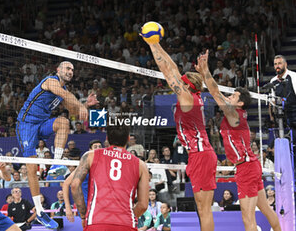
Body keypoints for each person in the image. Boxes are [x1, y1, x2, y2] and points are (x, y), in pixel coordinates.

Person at [195, 50, 281, 231]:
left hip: (246, 167)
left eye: (233, 96)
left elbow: (215, 92)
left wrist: (205, 71)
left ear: (240, 103)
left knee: (247, 216)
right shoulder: (236, 114)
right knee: (265, 209)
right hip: (250, 164)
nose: (230, 96)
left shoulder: (233, 113)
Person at [141, 31, 217, 231]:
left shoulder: (187, 98)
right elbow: (172, 68)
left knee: (204, 208)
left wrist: (152, 45)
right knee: (202, 208)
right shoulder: (194, 96)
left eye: (182, 81)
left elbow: (168, 72)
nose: (178, 82)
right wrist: (156, 43)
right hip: (199, 154)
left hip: (201, 155)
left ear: (187, 86)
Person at [16, 61, 98, 228]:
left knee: (63, 122)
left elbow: (73, 110)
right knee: (32, 167)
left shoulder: (64, 92)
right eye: (68, 68)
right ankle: (39, 212)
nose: (70, 71)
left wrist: (85, 106)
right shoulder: (51, 81)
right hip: (26, 125)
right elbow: (66, 96)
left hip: (42, 123)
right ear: (58, 70)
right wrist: (80, 104)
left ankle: (56, 164)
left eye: (73, 70)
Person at [71, 125, 149, 230]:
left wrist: (84, 216)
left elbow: (75, 185)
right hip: (126, 223)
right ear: (128, 138)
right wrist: (128, 216)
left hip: (96, 221)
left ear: (107, 138)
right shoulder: (141, 165)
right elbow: (143, 205)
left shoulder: (90, 155)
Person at [63, 139, 103, 223]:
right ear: (90, 150)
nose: (98, 149)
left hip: (101, 206)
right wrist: (67, 207)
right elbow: (66, 184)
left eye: (100, 147)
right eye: (95, 147)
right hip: (85, 207)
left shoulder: (105, 166)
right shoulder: (84, 166)